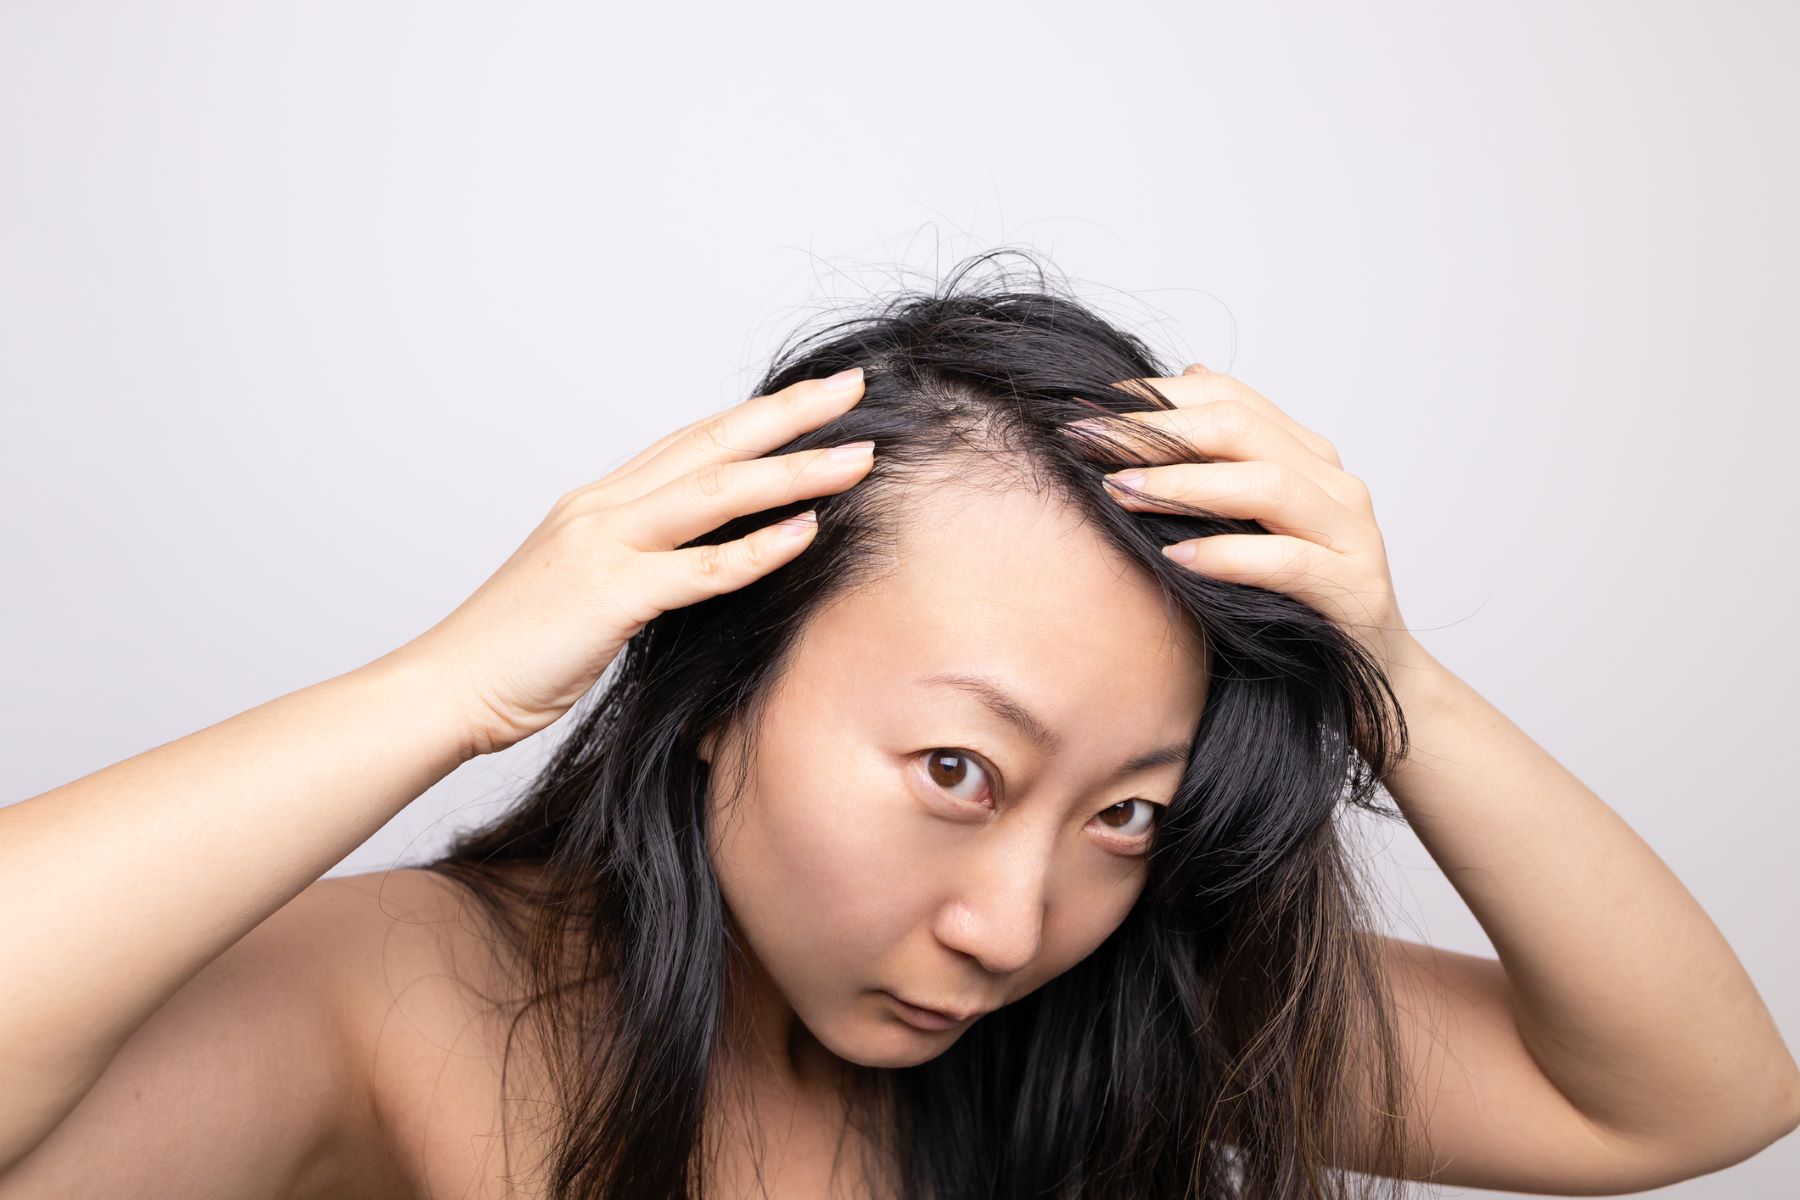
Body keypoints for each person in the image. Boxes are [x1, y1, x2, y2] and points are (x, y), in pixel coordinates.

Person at [3, 251, 1796, 1199]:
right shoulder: (398, 999)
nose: (1013, 926)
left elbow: (1688, 1104)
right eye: (958, 772)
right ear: (716, 687)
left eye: (1127, 815)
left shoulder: (1116, 1012)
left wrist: (1389, 666)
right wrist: (444, 688)